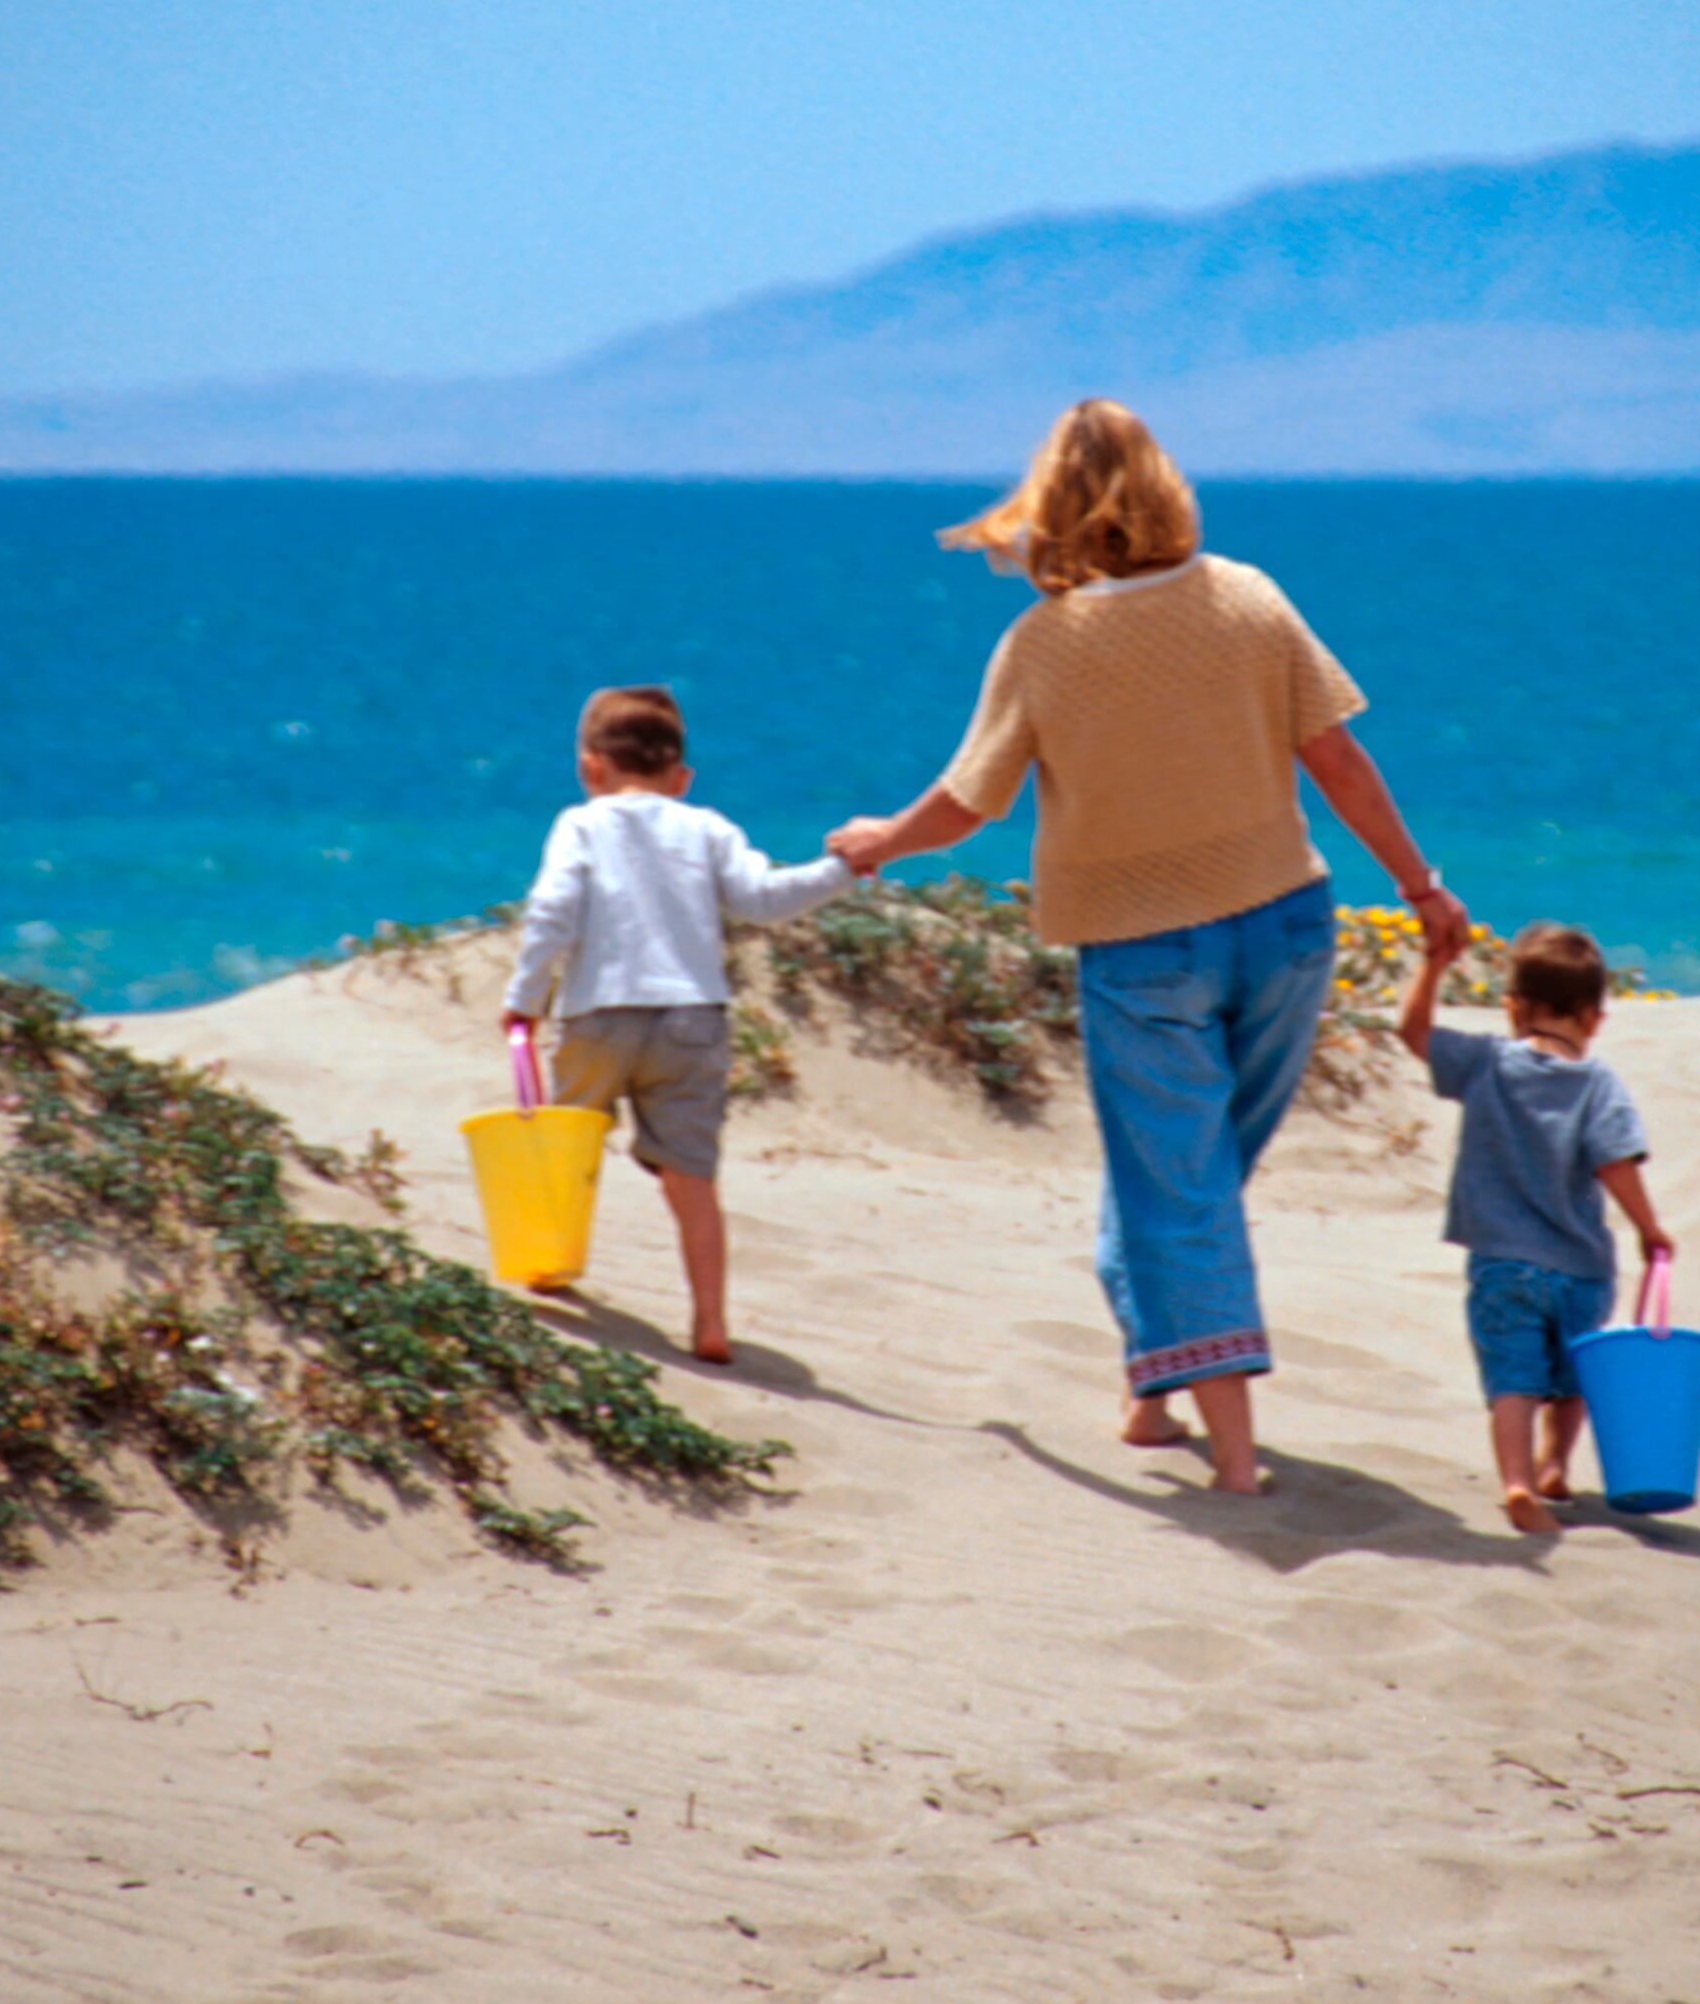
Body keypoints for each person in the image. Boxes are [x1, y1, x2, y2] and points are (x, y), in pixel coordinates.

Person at [826, 399, 1468, 1495]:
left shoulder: (1042, 642)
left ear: (1049, 509)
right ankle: (1152, 1394)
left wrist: (880, 839)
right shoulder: (1248, 596)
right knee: (1190, 1173)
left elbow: (969, 802)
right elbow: (1338, 761)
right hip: (1287, 928)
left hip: (1142, 950)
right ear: (1166, 487)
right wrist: (1419, 885)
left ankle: (1234, 1461)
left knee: (1177, 1187)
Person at [502, 684, 854, 1363]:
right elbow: (764, 899)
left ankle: (548, 1265)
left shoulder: (581, 823)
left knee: (566, 1149)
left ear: (590, 767)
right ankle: (710, 1321)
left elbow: (552, 911)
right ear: (682, 778)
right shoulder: (708, 827)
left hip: (598, 1015)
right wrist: (842, 869)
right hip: (692, 1020)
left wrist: (525, 997)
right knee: (692, 1178)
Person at [1398, 917, 1672, 1531]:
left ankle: (1518, 1482)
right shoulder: (1598, 1084)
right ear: (1594, 1019)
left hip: (1501, 1264)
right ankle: (1555, 1465)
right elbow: (1615, 1163)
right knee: (1575, 1378)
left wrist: (1434, 965)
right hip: (1581, 1268)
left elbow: (1413, 1032)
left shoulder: (1485, 1062)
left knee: (1513, 1382)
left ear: (1513, 1008)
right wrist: (1648, 1228)